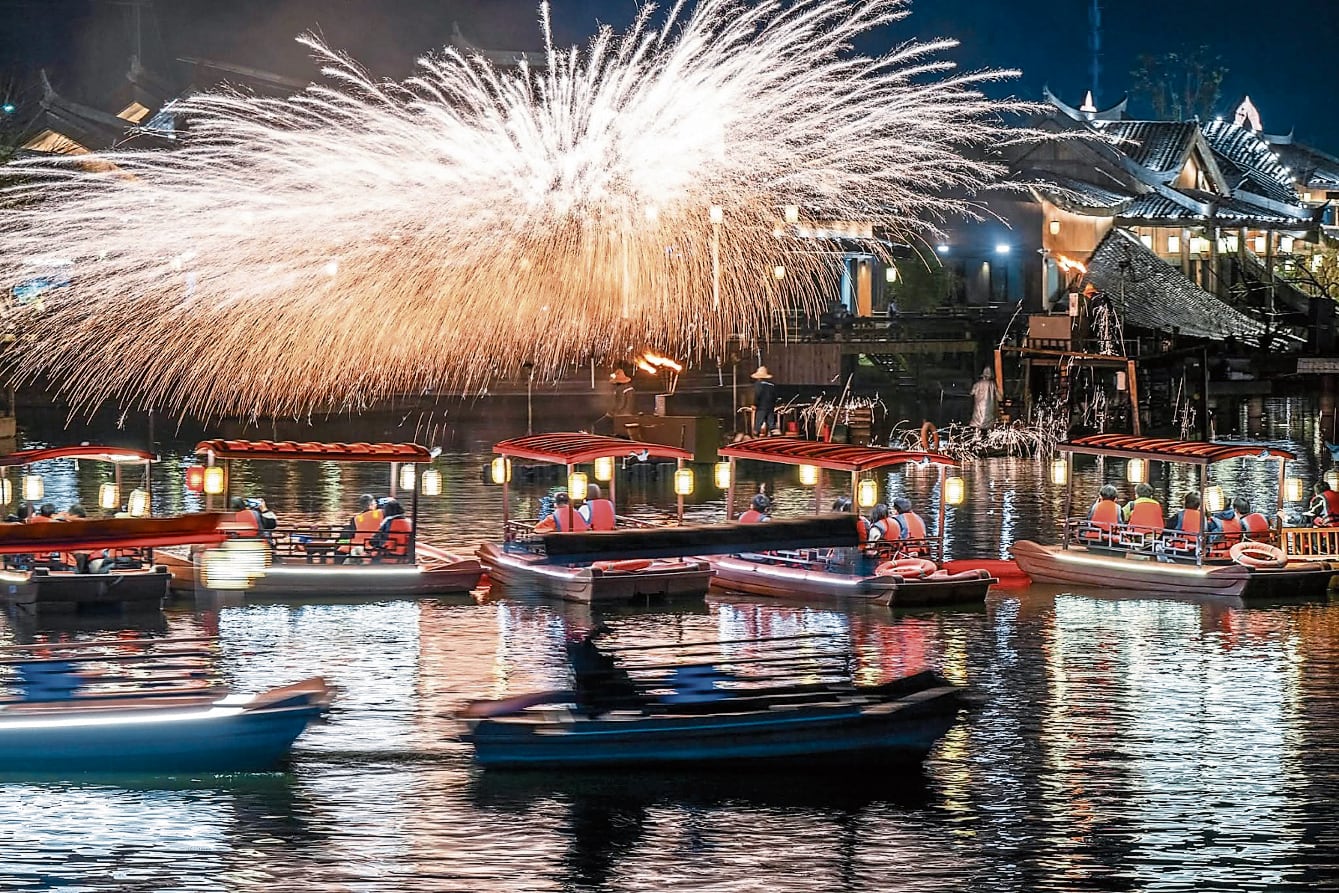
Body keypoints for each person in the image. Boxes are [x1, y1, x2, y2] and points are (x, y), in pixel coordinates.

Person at [338, 493, 384, 562]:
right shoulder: (381, 513)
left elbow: (351, 534)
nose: (376, 504)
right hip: (376, 545)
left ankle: (339, 566)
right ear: (371, 505)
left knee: (339, 543)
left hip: (357, 545)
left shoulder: (356, 518)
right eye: (375, 503)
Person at [750, 366, 777, 436]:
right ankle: (773, 432)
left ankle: (756, 433)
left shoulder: (758, 385)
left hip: (761, 407)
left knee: (759, 420)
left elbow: (757, 395)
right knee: (770, 421)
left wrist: (754, 404)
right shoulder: (772, 385)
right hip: (770, 406)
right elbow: (774, 396)